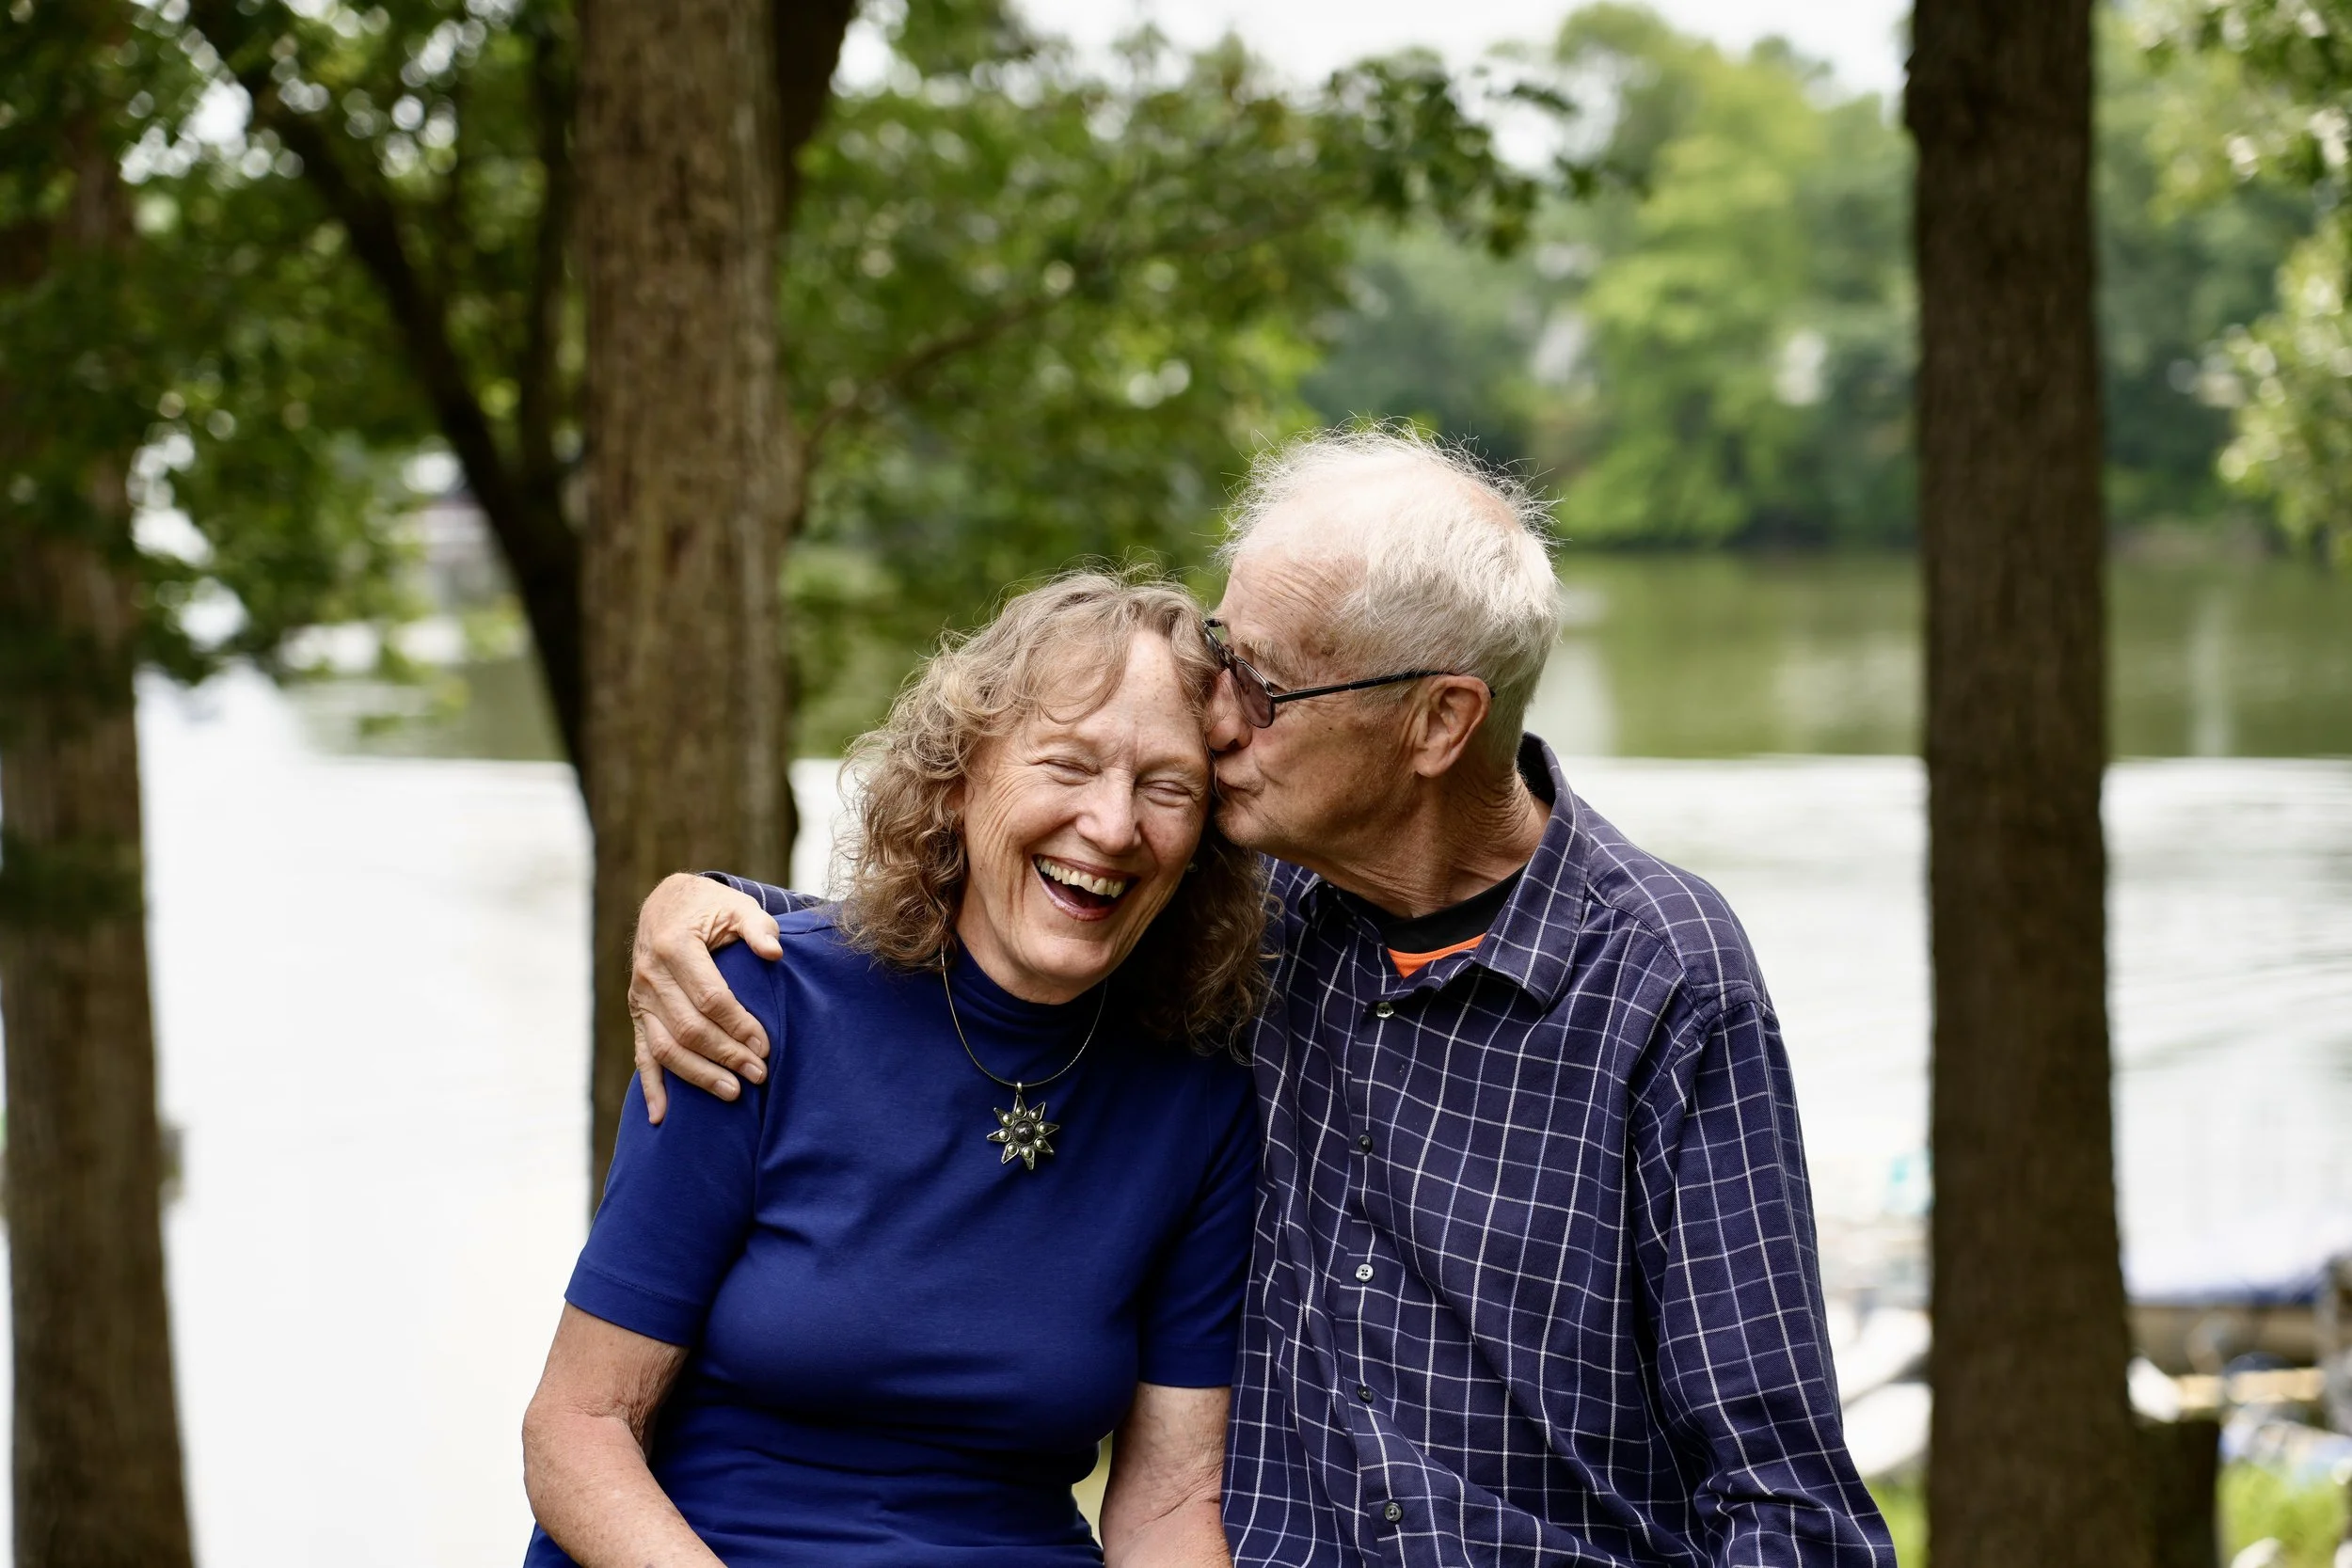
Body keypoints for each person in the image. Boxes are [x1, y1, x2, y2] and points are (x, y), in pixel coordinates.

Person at [632, 427, 1895, 1567]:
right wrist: (697, 903)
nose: (1213, 717)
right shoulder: (1246, 914)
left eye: (1265, 687)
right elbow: (979, 918)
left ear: (1440, 720)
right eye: (1223, 654)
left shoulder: (1660, 974)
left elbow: (1786, 1502)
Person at [520, 573, 1272, 1568]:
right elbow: (577, 1427)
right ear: (960, 780)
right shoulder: (754, 1004)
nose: (1112, 823)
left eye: (1167, 787)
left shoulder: (1199, 1100)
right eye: (1067, 763)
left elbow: (1170, 1505)